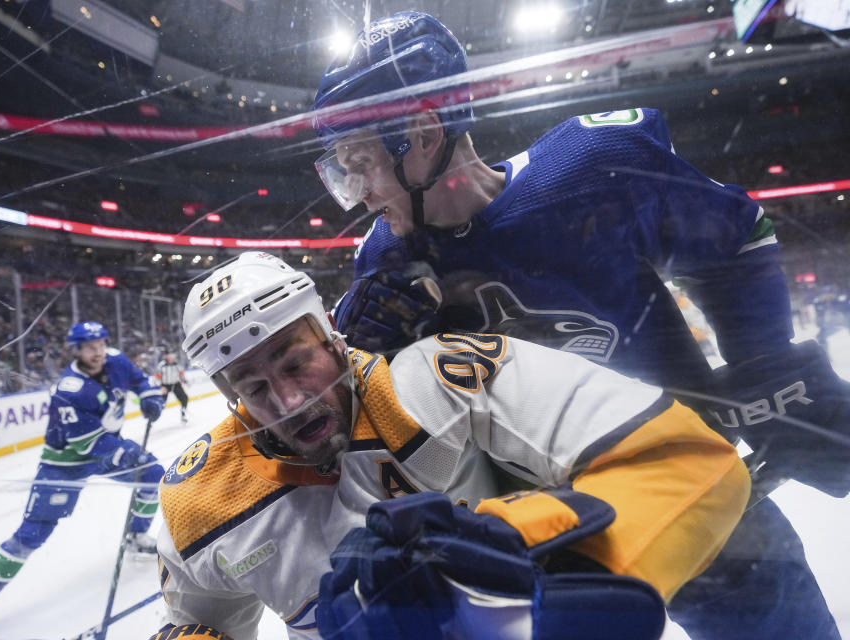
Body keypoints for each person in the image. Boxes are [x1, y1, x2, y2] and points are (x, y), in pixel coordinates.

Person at [311, 11, 849, 639]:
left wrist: (762, 375)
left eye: (361, 164)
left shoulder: (591, 167)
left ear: (423, 133)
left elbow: (735, 238)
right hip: (546, 524)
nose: (359, 194)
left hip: (684, 480)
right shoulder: (385, 257)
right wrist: (370, 357)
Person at [150, 251, 749, 640]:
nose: (287, 401)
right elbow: (195, 625)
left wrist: (530, 562)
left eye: (294, 361)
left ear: (331, 336)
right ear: (231, 398)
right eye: (254, 387)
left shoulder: (435, 379)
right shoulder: (199, 501)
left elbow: (687, 458)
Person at [0, 321, 166, 637]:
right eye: (90, 347)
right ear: (75, 350)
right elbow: (87, 444)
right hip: (64, 465)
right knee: (31, 534)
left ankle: (136, 536)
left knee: (153, 476)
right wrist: (125, 454)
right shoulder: (69, 389)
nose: (98, 351)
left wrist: (149, 396)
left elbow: (139, 379)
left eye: (101, 343)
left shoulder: (115, 359)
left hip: (109, 448)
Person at [156, 349, 190, 423]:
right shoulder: (161, 365)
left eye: (173, 356)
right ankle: (153, 417)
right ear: (166, 357)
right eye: (170, 356)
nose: (172, 358)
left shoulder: (177, 364)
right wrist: (161, 386)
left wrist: (184, 381)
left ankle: (183, 412)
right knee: (161, 403)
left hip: (175, 384)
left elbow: (181, 374)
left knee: (185, 398)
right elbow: (157, 377)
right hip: (165, 386)